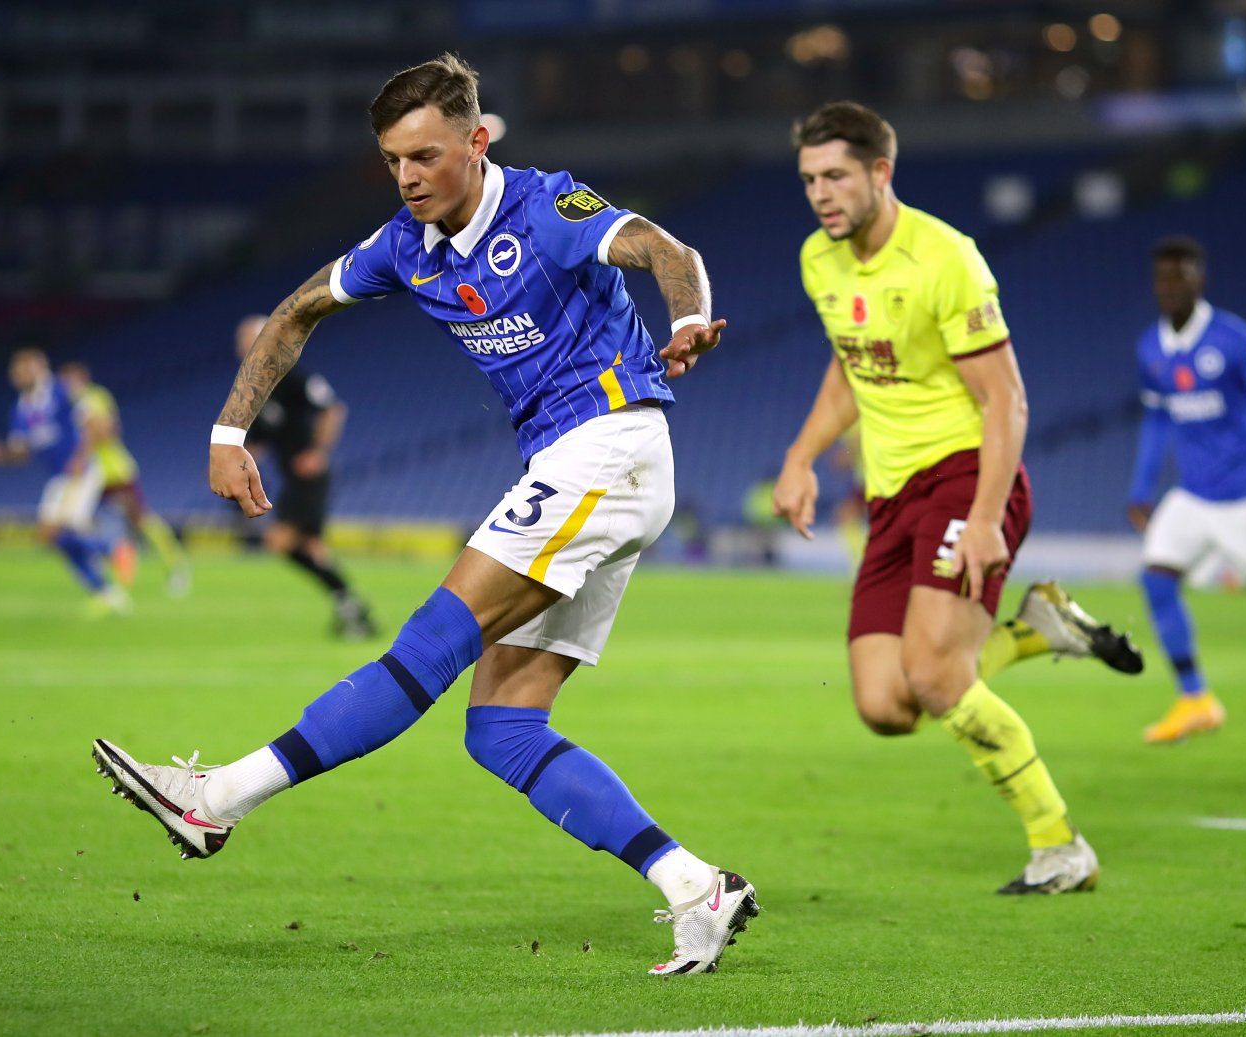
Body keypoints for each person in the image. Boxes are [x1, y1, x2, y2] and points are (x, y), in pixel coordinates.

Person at [93, 54, 757, 976]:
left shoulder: (546, 208)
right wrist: (227, 431)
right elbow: (294, 312)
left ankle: (220, 797)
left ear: (477, 143)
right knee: (503, 728)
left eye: (426, 155)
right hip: (584, 467)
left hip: (608, 444)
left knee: (430, 642)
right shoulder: (402, 246)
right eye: (393, 160)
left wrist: (686, 320)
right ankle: (695, 886)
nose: (407, 176)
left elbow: (664, 250)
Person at [772, 101, 1142, 895]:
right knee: (886, 703)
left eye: (836, 176)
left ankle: (1059, 846)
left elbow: (1006, 398)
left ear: (880, 172)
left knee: (938, 676)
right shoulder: (818, 259)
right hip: (891, 494)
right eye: (808, 179)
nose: (820, 194)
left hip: (968, 477)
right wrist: (800, 456)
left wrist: (982, 519)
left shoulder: (946, 259)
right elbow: (850, 364)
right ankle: (1040, 631)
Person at [1127, 236, 1246, 749]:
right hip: (1192, 495)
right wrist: (1141, 488)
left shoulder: (1234, 339)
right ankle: (1196, 699)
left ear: (1200, 281)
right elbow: (1157, 421)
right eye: (1163, 278)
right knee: (1156, 581)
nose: (1170, 287)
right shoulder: (1150, 347)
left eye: (1180, 277)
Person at [231, 316, 373, 638]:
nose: (242, 348)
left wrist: (317, 452)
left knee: (280, 541)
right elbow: (259, 439)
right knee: (310, 547)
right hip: (294, 479)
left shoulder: (293, 376)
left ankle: (350, 605)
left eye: (247, 340)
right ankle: (352, 609)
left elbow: (333, 409)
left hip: (308, 478)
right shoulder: (260, 388)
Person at [0, 348, 129, 616]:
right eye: (16, 371)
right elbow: (21, 453)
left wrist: (81, 456)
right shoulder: (21, 409)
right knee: (49, 535)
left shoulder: (61, 391)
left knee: (61, 529)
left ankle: (112, 548)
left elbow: (96, 423)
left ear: (39, 367)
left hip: (80, 471)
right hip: (59, 477)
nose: (18, 375)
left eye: (24, 369)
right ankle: (106, 591)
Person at [58, 361, 192, 598]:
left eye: (69, 380)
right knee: (81, 523)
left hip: (113, 471)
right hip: (90, 476)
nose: (66, 386)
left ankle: (176, 568)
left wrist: (82, 454)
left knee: (140, 520)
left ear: (81, 378)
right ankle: (106, 572)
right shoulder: (67, 406)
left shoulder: (93, 398)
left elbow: (107, 430)